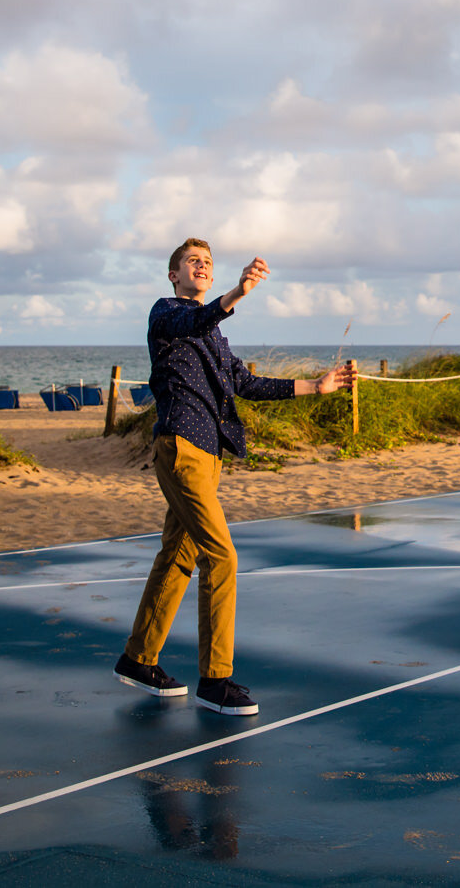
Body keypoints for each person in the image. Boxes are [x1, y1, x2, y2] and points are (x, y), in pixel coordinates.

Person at [113, 237, 354, 715]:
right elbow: (197, 317)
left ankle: (138, 659)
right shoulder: (167, 314)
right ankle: (215, 680)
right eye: (192, 262)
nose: (201, 267)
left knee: (178, 555)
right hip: (181, 448)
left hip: (209, 455)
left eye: (207, 262)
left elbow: (245, 383)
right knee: (221, 557)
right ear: (174, 275)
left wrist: (315, 387)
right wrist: (238, 291)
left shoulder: (213, 335)